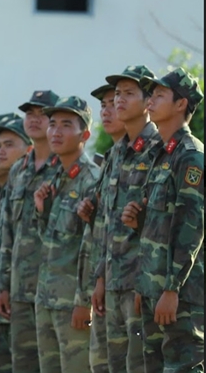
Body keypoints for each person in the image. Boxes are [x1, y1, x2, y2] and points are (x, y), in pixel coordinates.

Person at [123, 68, 204, 372]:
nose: (151, 101)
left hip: (180, 296)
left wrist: (171, 289)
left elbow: (191, 228)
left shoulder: (190, 156)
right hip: (153, 290)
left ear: (181, 104)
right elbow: (160, 225)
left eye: (159, 95)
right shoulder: (161, 154)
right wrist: (138, 220)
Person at [94, 64, 160, 373]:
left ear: (149, 101)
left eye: (128, 93)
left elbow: (164, 226)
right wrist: (100, 279)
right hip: (113, 283)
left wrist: (146, 286)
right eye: (116, 94)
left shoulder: (159, 150)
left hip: (140, 284)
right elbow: (106, 224)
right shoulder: (116, 152)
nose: (118, 100)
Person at [33, 96, 101, 373]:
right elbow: (51, 242)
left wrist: (84, 302)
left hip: (72, 304)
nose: (56, 132)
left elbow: (94, 246)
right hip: (47, 299)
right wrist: (41, 210)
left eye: (66, 125)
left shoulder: (92, 179)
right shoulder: (55, 179)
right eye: (52, 125)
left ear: (84, 134)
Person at [0, 89, 60, 373]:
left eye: (42, 114)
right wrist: (2, 285)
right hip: (20, 289)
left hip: (55, 290)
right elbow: (6, 232)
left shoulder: (65, 168)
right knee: (23, 365)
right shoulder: (18, 171)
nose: (34, 119)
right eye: (29, 113)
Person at [77, 83, 126, 373]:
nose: (108, 110)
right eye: (104, 105)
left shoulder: (151, 155)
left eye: (115, 102)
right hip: (106, 287)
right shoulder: (111, 159)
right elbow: (100, 234)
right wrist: (97, 282)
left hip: (133, 288)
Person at [0, 114, 34, 373]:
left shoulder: (30, 185)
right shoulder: (5, 191)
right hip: (4, 297)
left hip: (29, 300)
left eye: (8, 144)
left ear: (29, 148)